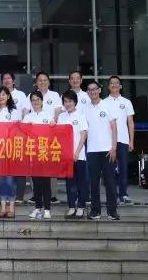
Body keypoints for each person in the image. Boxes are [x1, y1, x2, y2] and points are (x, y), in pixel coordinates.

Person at [84, 80, 120, 221]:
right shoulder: (86, 109)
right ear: (88, 93)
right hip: (92, 151)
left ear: (99, 90)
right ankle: (95, 211)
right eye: (90, 90)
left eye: (95, 89)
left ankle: (112, 211)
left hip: (107, 151)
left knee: (110, 182)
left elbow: (114, 128)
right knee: (93, 183)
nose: (92, 92)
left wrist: (114, 148)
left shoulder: (108, 105)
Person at [32, 71, 63, 204]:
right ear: (36, 82)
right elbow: (26, 112)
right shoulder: (32, 95)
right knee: (35, 166)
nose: (42, 82)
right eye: (40, 80)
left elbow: (58, 111)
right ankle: (36, 194)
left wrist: (53, 124)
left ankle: (52, 195)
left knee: (51, 165)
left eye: (45, 80)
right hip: (35, 139)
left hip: (50, 136)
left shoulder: (54, 95)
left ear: (49, 82)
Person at [104, 75, 136, 205]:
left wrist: (131, 141)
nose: (114, 85)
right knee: (110, 169)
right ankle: (113, 195)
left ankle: (123, 194)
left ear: (120, 86)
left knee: (123, 168)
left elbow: (130, 123)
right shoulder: (103, 102)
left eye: (116, 83)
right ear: (108, 86)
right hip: (108, 141)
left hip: (123, 140)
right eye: (112, 83)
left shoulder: (126, 102)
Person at [23, 90, 56, 219]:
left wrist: (53, 125)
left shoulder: (49, 116)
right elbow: (22, 136)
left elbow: (54, 135)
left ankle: (47, 209)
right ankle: (38, 208)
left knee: (46, 183)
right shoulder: (27, 117)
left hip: (45, 153)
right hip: (32, 154)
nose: (35, 102)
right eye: (33, 100)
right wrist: (27, 128)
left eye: (37, 100)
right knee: (36, 184)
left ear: (42, 101)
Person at [0, 87, 21, 218]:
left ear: (8, 96)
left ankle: (11, 206)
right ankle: (2, 206)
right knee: (1, 179)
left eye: (4, 94)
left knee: (9, 179)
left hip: (10, 149)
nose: (1, 97)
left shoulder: (14, 111)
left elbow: (18, 130)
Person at [58, 89, 89, 219]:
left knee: (81, 182)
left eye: (70, 101)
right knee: (70, 183)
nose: (68, 104)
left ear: (75, 102)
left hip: (79, 155)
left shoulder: (80, 115)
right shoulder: (62, 117)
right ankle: (71, 207)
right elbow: (58, 136)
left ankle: (81, 207)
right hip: (66, 156)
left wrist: (76, 152)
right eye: (65, 101)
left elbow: (83, 135)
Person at [1, 72, 30, 203]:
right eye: (4, 78)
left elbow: (26, 111)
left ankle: (19, 195)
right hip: (3, 137)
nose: (6, 80)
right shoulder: (0, 95)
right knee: (5, 166)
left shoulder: (21, 95)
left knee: (19, 165)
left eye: (9, 78)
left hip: (18, 135)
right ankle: (7, 194)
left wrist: (22, 127)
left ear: (13, 81)